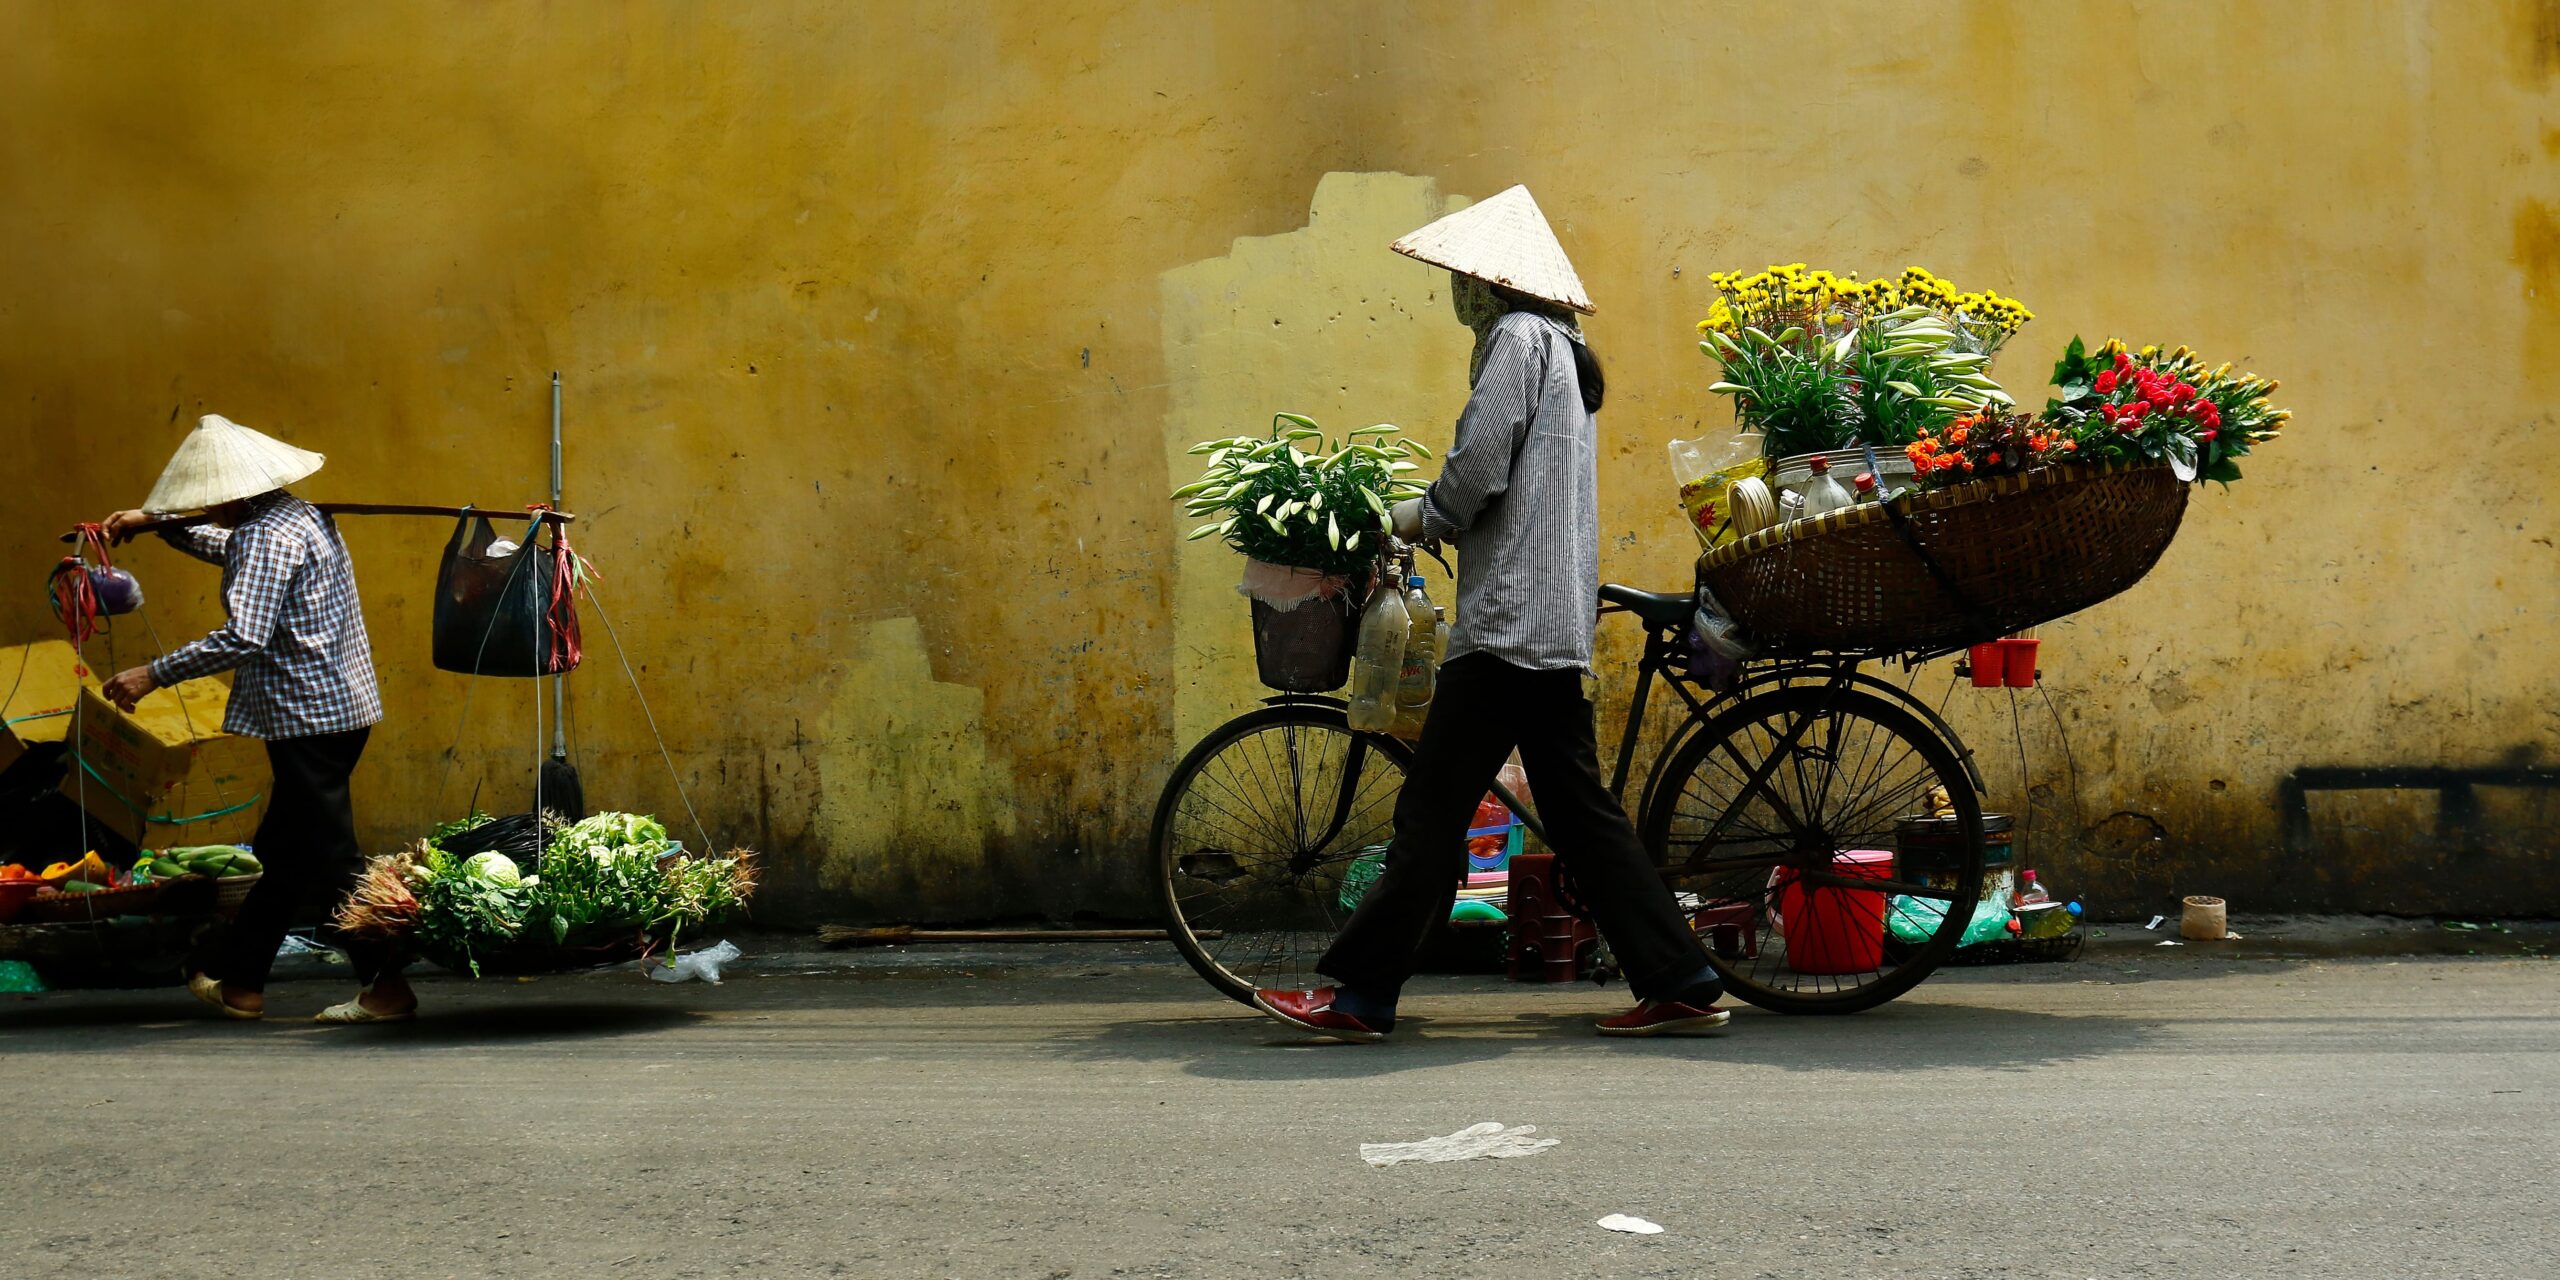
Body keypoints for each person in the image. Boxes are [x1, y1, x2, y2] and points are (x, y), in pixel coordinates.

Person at [1251, 186, 1730, 1043]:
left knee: (1429, 815)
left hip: (1508, 623)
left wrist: (1416, 515)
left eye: (1462, 278)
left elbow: (1478, 468)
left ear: (1492, 284)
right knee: (1581, 815)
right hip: (1549, 620)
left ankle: (1359, 995)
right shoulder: (1566, 348)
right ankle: (1682, 978)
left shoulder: (1515, 340)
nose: (1456, 293)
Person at [100, 413, 413, 1024]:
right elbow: (230, 544)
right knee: (288, 851)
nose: (206, 508)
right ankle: (241, 983)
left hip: (307, 717)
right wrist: (159, 524)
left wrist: (151, 674)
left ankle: (388, 987)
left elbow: (243, 635)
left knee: (331, 856)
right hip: (335, 709)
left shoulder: (267, 536)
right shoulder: (296, 515)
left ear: (239, 493)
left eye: (211, 499)